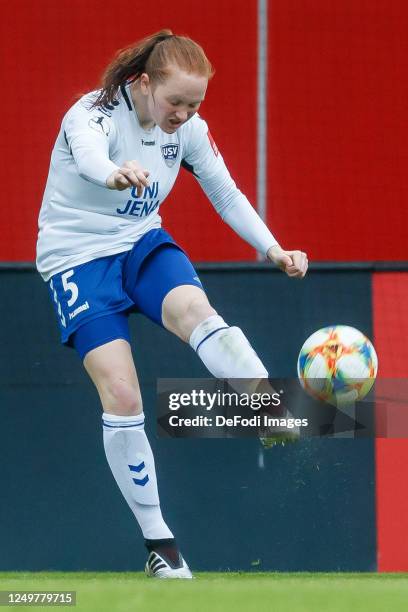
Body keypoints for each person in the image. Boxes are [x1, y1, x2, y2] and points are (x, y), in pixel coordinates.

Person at [36, 30, 308, 579]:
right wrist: (113, 173)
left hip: (140, 242)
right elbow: (90, 157)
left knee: (196, 311)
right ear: (143, 84)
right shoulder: (92, 114)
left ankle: (266, 406)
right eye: (176, 102)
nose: (184, 114)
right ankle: (162, 547)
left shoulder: (189, 133)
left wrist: (273, 248)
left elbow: (226, 193)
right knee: (121, 392)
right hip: (76, 257)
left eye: (195, 104)